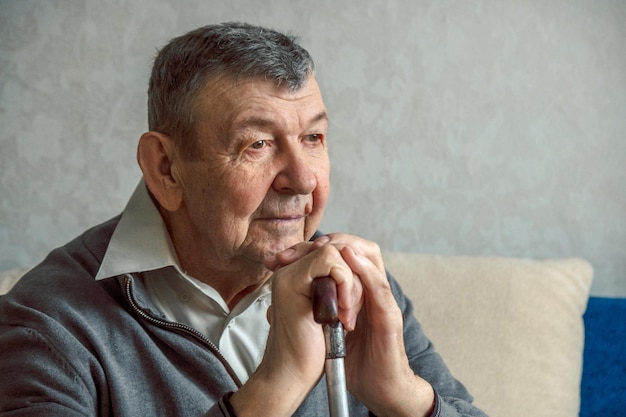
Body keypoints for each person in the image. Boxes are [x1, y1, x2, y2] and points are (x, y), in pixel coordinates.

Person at [0, 22, 487, 417]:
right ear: (166, 168)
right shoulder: (48, 323)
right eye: (258, 143)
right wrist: (276, 387)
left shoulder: (350, 284)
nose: (301, 180)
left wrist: (405, 399)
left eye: (314, 139)